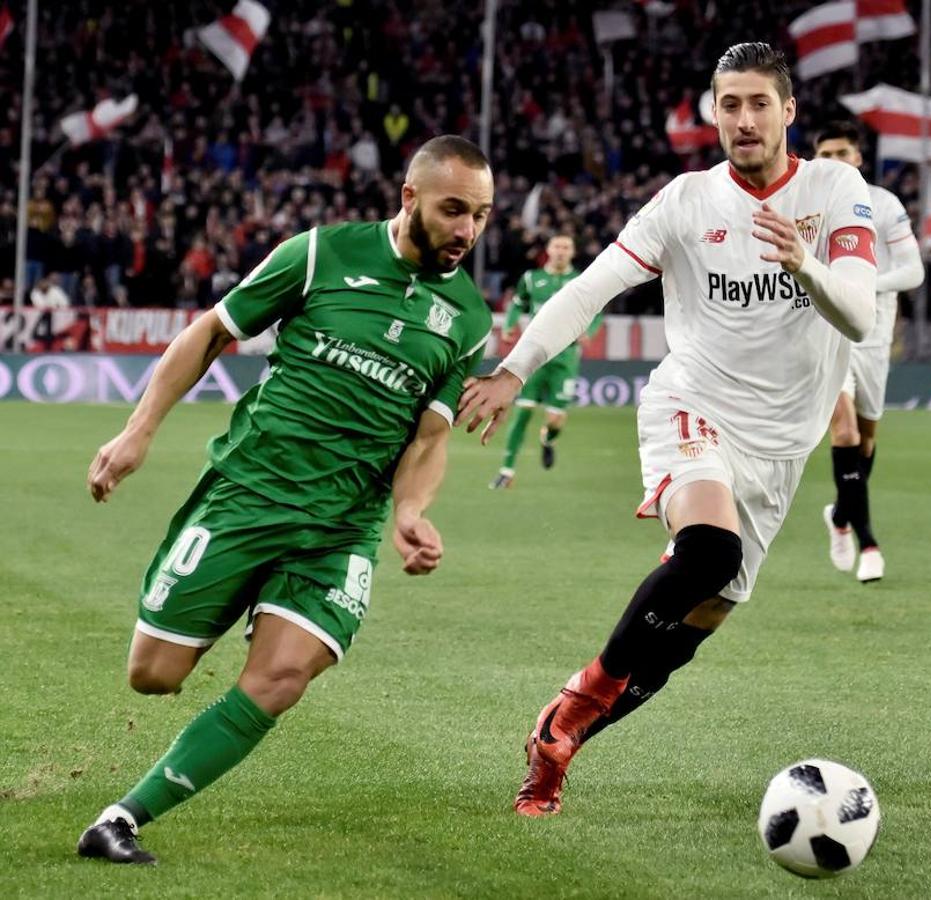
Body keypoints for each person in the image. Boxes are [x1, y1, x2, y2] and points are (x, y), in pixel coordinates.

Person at [456, 43, 878, 817]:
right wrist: (514, 369)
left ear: (789, 112)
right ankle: (575, 705)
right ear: (710, 114)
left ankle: (563, 738)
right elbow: (592, 288)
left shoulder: (835, 188)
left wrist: (805, 267)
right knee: (707, 549)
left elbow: (858, 309)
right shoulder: (685, 201)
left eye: (758, 103)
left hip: (781, 447)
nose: (743, 120)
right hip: (694, 405)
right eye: (728, 105)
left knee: (699, 616)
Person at [76, 135, 494, 864]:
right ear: (409, 198)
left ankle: (121, 819)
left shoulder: (466, 320)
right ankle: (243, 600)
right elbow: (210, 332)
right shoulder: (317, 255)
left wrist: (408, 511)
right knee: (153, 675)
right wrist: (137, 432)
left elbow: (430, 438)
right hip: (248, 493)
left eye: (482, 215)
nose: (467, 231)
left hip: (341, 526)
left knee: (281, 677)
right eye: (453, 209)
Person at [814, 121, 924, 583]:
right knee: (843, 433)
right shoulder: (806, 207)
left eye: (843, 153)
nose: (834, 161)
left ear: (858, 158)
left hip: (874, 335)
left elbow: (913, 271)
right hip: (826, 331)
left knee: (866, 441)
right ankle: (869, 543)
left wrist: (860, 285)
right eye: (825, 154)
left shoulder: (884, 205)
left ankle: (840, 515)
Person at [490, 233, 602, 489]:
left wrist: (590, 331)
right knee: (522, 413)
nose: (561, 251)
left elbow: (597, 313)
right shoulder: (532, 279)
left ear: (572, 252)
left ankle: (548, 439)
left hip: (564, 359)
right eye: (557, 246)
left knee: (555, 421)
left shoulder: (581, 282)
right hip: (535, 357)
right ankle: (506, 471)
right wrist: (508, 326)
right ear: (549, 250)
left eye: (566, 247)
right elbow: (518, 304)